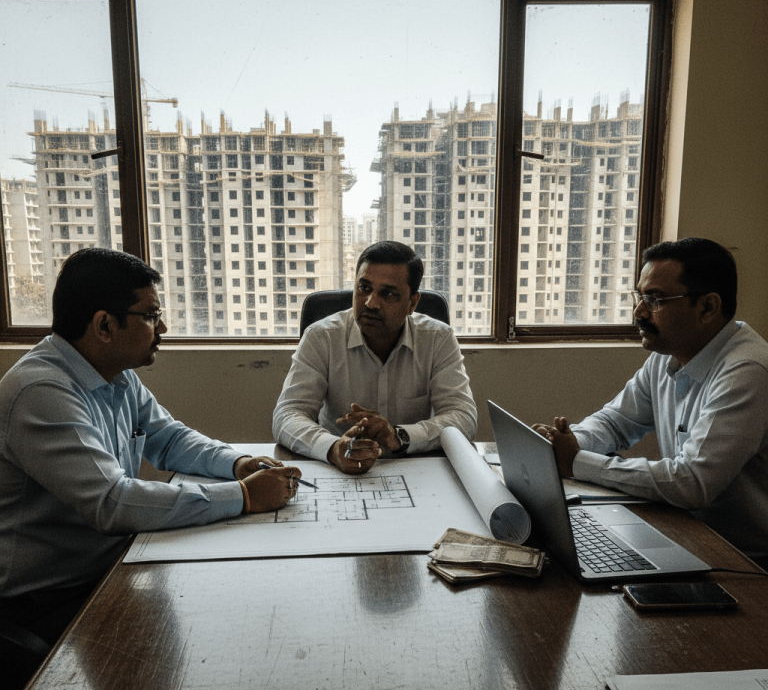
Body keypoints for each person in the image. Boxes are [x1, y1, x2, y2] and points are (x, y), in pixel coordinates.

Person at [0, 248, 302, 646]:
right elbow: (113, 503)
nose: (163, 328)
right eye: (151, 316)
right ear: (104, 325)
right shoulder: (41, 391)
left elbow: (170, 438)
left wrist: (238, 464)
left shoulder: (115, 375)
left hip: (107, 566)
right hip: (42, 599)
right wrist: (244, 497)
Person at [533, 238, 768, 557]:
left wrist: (576, 461)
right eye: (640, 296)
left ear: (707, 307)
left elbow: (692, 483)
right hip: (688, 534)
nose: (638, 312)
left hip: (745, 562)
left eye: (655, 300)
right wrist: (567, 442)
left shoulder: (748, 370)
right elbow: (615, 423)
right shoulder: (668, 353)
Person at [272, 241, 477, 474]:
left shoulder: (437, 339)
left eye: (388, 293)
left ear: (412, 303)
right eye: (364, 288)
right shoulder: (322, 337)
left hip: (414, 469)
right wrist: (332, 447)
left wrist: (400, 435)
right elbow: (287, 415)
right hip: (339, 471)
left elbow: (463, 417)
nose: (371, 303)